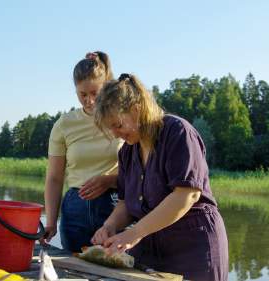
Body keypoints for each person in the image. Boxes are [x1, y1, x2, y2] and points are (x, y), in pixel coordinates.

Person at [91, 73, 229, 281]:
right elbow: (125, 203)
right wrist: (110, 226)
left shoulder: (178, 132)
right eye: (110, 128)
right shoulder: (128, 151)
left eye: (118, 125)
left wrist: (134, 233)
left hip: (194, 247)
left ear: (137, 109)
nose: (115, 134)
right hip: (149, 247)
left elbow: (186, 195)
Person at [41, 51, 123, 253]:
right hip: (75, 208)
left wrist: (109, 180)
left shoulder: (122, 118)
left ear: (106, 86)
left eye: (95, 93)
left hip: (115, 206)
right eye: (83, 94)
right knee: (73, 268)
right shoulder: (64, 124)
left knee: (114, 269)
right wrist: (50, 222)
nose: (90, 101)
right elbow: (54, 178)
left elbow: (140, 173)